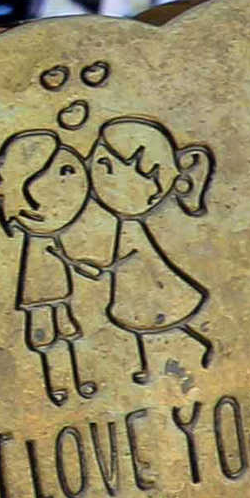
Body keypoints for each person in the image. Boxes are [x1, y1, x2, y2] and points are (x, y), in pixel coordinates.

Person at [83, 117, 219, 383]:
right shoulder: (123, 225)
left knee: (156, 320)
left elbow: (131, 255)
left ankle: (201, 344)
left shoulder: (131, 229)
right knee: (143, 324)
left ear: (154, 193)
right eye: (100, 164)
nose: (97, 177)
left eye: (109, 167)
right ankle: (150, 367)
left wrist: (106, 267)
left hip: (144, 280)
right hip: (136, 284)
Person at [0, 129, 102, 405]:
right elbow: (58, 256)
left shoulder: (49, 239)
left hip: (58, 288)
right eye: (64, 173)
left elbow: (63, 255)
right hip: (39, 290)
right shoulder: (39, 241)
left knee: (67, 329)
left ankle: (75, 382)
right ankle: (57, 385)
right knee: (45, 336)